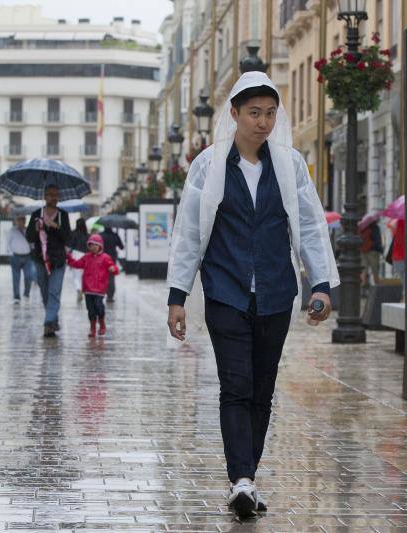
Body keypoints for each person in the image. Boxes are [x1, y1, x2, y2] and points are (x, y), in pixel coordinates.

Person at [166, 71, 339, 519]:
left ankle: (248, 479)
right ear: (235, 114)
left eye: (270, 113)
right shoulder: (208, 165)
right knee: (236, 386)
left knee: (263, 390)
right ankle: (240, 478)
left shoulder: (290, 165)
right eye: (254, 113)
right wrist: (177, 295)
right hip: (226, 292)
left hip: (276, 294)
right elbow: (189, 232)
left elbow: (309, 225)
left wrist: (321, 285)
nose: (262, 122)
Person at [26, 184, 72, 337]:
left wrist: (55, 226)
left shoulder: (63, 215)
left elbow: (68, 237)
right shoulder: (36, 214)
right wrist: (37, 228)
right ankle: (53, 319)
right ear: (45, 196)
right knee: (45, 292)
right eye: (51, 194)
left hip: (58, 260)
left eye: (56, 195)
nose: (54, 197)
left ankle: (48, 322)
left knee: (54, 292)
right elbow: (29, 237)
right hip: (40, 259)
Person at [67, 233, 119, 337]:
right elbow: (77, 264)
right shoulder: (86, 257)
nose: (93, 247)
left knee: (99, 306)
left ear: (100, 246)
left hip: (100, 289)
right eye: (91, 245)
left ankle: (102, 322)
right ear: (88, 246)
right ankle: (92, 328)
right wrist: (69, 257)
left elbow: (114, 269)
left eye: (96, 244)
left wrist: (113, 269)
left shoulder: (105, 258)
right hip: (88, 289)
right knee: (90, 310)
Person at [8, 215, 34, 303]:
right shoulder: (12, 231)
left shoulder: (28, 231)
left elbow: (32, 243)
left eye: (23, 220)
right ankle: (16, 296)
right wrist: (10, 253)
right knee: (16, 277)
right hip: (16, 256)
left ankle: (26, 292)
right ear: (17, 221)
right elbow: (8, 242)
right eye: (20, 220)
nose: (22, 222)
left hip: (27, 257)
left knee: (28, 276)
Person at [99, 227, 124, 302]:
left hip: (102, 259)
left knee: (102, 276)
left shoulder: (100, 235)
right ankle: (110, 296)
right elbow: (121, 247)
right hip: (112, 259)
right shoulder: (115, 235)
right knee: (111, 277)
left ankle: (102, 293)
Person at [69, 218, 89, 302]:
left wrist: (69, 259)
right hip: (85, 255)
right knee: (83, 275)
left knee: (76, 276)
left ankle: (79, 289)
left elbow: (70, 246)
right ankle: (83, 289)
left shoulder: (73, 233)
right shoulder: (87, 235)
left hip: (75, 254)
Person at [359, 220, 382, 286]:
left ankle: (361, 286)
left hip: (363, 251)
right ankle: (376, 286)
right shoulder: (375, 227)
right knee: (375, 270)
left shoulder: (362, 227)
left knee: (363, 270)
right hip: (373, 252)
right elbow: (377, 240)